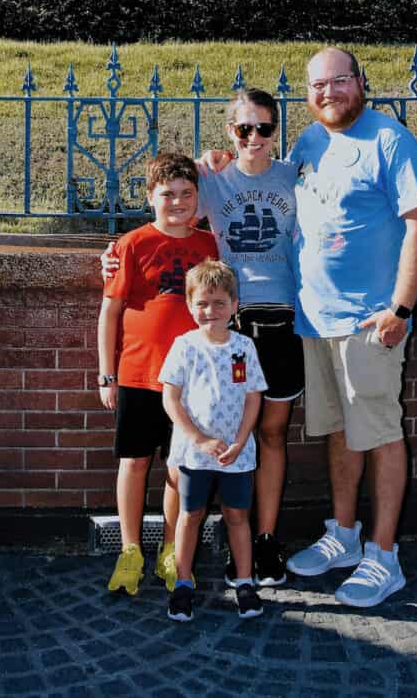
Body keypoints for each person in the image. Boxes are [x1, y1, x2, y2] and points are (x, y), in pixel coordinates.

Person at [102, 88, 302, 586]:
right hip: (191, 343)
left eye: (264, 128)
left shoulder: (290, 179)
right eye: (243, 129)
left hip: (269, 323)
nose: (254, 137)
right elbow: (173, 188)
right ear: (229, 133)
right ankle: (147, 550)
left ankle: (248, 542)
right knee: (159, 453)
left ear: (278, 130)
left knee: (255, 437)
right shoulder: (209, 183)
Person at [284, 46, 417, 609]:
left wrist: (400, 308)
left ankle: (384, 554)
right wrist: (221, 162)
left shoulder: (390, 140)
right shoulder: (309, 141)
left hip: (371, 320)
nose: (329, 93)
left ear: (361, 82)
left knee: (379, 431)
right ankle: (344, 535)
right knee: (340, 430)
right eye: (319, 85)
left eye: (339, 81)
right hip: (314, 317)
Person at [97, 151, 217, 597]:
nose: (178, 202)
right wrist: (106, 374)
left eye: (187, 194)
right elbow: (110, 312)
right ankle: (130, 550)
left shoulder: (210, 245)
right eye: (168, 194)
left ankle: (172, 549)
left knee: (179, 467)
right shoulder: (131, 245)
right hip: (138, 373)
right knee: (134, 462)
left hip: (192, 380)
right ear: (150, 197)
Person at [160, 258, 268, 622]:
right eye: (202, 303)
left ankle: (244, 580)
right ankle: (183, 583)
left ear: (234, 305)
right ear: (190, 306)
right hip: (195, 453)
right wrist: (199, 438)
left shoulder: (244, 347)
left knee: (238, 516)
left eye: (219, 302)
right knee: (190, 515)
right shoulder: (184, 346)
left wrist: (240, 440)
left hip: (237, 453)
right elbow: (170, 399)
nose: (211, 311)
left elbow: (254, 395)